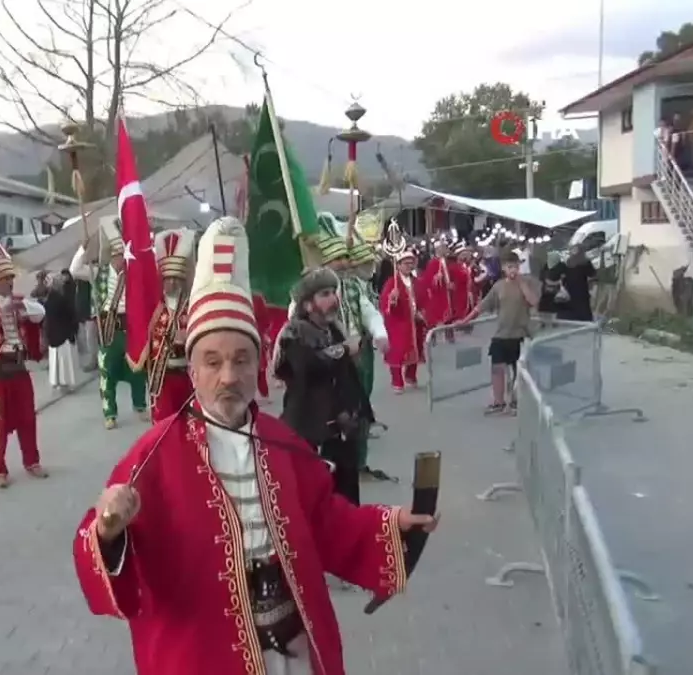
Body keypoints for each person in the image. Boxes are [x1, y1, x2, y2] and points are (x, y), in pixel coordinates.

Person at [73, 217, 438, 674]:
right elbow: (97, 545)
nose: (228, 376)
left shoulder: (283, 442)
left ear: (257, 364)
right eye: (213, 361)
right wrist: (109, 531)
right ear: (193, 369)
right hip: (201, 658)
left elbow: (326, 521)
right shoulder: (152, 456)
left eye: (241, 360)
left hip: (293, 652)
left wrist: (394, 524)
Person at [275, 267, 375, 506]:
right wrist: (344, 351)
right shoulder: (295, 333)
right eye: (325, 294)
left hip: (340, 430)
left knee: (348, 498)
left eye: (334, 292)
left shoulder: (334, 330)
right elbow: (308, 367)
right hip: (309, 431)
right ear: (308, 304)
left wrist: (359, 411)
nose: (334, 299)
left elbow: (346, 377)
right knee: (316, 499)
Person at [0, 239, 48, 488]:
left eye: (11, 277)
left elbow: (40, 313)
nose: (10, 282)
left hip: (19, 369)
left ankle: (32, 461)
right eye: (5, 278)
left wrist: (20, 304)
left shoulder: (19, 302)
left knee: (27, 419)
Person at [70, 221, 148, 429]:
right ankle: (110, 413)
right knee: (107, 371)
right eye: (118, 255)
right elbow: (75, 269)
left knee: (138, 368)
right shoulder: (98, 272)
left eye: (124, 255)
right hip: (108, 327)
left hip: (129, 325)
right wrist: (82, 249)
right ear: (111, 255)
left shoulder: (133, 274)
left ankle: (140, 405)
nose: (121, 260)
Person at [461, 251, 539, 414]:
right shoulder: (498, 286)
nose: (513, 269)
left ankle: (517, 401)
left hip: (520, 334)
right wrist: (465, 320)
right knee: (497, 368)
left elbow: (533, 301)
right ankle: (499, 401)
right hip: (502, 334)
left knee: (519, 372)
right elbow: (482, 305)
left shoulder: (528, 282)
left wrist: (521, 283)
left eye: (516, 266)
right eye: (510, 266)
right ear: (503, 268)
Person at [342, 242, 390, 480]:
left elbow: (368, 311)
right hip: (331, 357)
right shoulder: (315, 287)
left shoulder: (354, 287)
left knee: (360, 406)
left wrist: (379, 334)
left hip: (360, 351)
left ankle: (358, 462)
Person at [146, 228, 196, 422]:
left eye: (177, 278)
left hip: (188, 377)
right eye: (169, 278)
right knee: (165, 425)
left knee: (190, 424)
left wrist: (188, 336)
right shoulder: (155, 306)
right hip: (163, 377)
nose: (173, 283)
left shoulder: (192, 304)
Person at [379, 248, 427, 392]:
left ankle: (411, 376)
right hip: (398, 323)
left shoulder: (416, 281)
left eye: (411, 263)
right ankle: (397, 381)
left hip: (414, 322)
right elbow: (385, 303)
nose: (409, 266)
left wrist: (421, 312)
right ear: (398, 265)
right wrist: (392, 301)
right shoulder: (392, 282)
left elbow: (423, 299)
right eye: (405, 263)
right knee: (397, 352)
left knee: (416, 348)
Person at [44, 270, 79, 392]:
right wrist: (73, 329)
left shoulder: (49, 300)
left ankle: (56, 381)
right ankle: (65, 383)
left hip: (53, 334)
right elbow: (70, 315)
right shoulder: (61, 299)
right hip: (63, 334)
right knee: (65, 360)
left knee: (55, 359)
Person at [419, 239, 456, 342]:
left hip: (446, 293)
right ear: (438, 249)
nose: (446, 249)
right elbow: (428, 280)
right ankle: (432, 337)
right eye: (443, 247)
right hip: (438, 294)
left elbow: (450, 275)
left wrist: (450, 283)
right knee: (434, 316)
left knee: (448, 315)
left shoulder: (446, 262)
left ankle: (449, 336)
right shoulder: (433, 263)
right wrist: (436, 278)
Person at [548, 245, 597, 322]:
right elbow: (593, 275)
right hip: (582, 293)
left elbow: (552, 275)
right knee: (583, 314)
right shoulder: (585, 263)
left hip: (569, 292)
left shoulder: (568, 262)